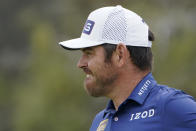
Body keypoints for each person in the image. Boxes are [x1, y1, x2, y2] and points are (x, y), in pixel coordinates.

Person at [59, 5, 196, 131]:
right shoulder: (100, 121)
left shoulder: (171, 107)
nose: (80, 63)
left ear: (120, 54)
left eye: (89, 53)